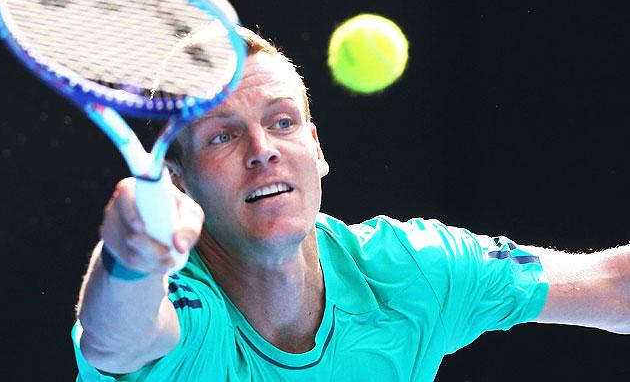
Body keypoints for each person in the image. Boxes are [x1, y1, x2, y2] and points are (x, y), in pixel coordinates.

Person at [72, 27, 629, 381]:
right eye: (222, 135)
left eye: (282, 122)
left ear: (316, 150)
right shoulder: (184, 310)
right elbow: (116, 342)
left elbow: (614, 285)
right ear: (179, 182)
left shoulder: (413, 272)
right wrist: (131, 258)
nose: (262, 150)